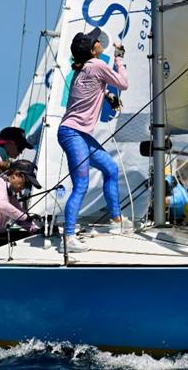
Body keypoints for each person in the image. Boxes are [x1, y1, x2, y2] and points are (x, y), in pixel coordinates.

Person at [57, 28, 130, 253]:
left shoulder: (83, 69)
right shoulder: (97, 65)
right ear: (92, 50)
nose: (99, 41)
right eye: (95, 41)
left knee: (110, 168)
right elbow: (123, 83)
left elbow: (94, 89)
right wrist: (119, 59)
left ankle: (116, 221)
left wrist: (106, 95)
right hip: (72, 133)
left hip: (77, 133)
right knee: (81, 185)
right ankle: (68, 238)